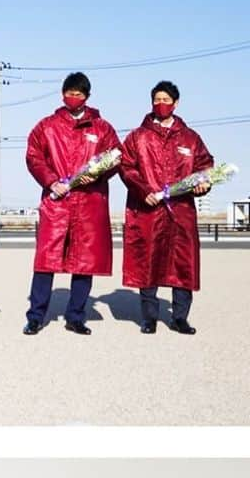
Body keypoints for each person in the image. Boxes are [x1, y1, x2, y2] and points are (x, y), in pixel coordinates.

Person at [24, 73, 121, 335]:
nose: (74, 98)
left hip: (90, 203)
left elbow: (116, 158)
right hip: (56, 203)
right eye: (70, 93)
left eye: (79, 94)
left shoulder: (102, 128)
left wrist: (98, 173)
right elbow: (34, 156)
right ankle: (35, 316)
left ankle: (76, 316)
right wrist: (51, 181)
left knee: (84, 262)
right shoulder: (47, 126)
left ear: (87, 97)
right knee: (46, 260)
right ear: (62, 94)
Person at [120, 81, 213, 335]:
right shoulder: (138, 136)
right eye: (157, 99)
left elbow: (205, 166)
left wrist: (204, 184)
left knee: (182, 264)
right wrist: (143, 190)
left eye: (166, 99)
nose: (161, 104)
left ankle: (180, 317)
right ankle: (149, 318)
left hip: (181, 213)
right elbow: (126, 167)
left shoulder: (190, 138)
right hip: (148, 212)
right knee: (148, 262)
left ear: (176, 103)